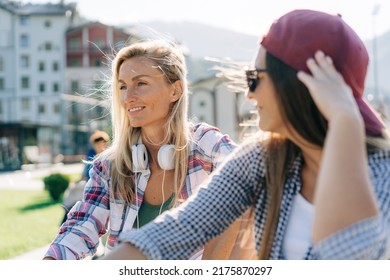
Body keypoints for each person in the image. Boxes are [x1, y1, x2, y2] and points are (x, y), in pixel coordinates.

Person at [101, 9, 390, 260]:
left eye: (255, 79)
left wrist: (344, 122)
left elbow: (345, 255)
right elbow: (178, 230)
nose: (249, 96)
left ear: (301, 85)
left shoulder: (382, 174)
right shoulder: (262, 159)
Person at [43, 39, 238, 260]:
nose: (127, 97)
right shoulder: (109, 165)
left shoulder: (205, 145)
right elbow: (81, 226)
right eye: (123, 86)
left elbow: (253, 182)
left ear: (175, 90)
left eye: (141, 83)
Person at [59, 130, 110, 225]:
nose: (98, 147)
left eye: (100, 144)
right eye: (96, 144)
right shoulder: (91, 154)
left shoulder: (109, 156)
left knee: (79, 195)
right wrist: (77, 181)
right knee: (73, 188)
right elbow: (85, 171)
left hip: (100, 187)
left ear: (106, 143)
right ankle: (66, 214)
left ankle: (67, 218)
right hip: (88, 183)